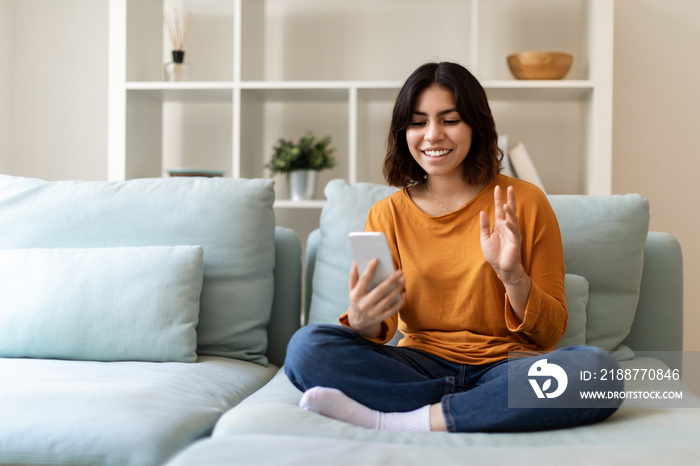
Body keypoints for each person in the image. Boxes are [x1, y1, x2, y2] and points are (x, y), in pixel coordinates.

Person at [284, 62, 622, 433]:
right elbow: (381, 328)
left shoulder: (523, 201)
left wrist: (513, 276)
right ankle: (469, 411)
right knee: (305, 348)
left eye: (449, 120)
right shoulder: (387, 214)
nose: (433, 135)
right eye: (418, 122)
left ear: (476, 125)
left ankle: (401, 419)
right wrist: (362, 321)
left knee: (597, 372)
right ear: (403, 132)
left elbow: (550, 332)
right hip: (417, 367)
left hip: (508, 369)